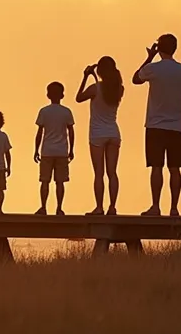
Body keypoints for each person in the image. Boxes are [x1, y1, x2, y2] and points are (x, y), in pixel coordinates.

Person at [131, 34, 181, 216]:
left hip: (155, 126)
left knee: (156, 167)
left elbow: (135, 79)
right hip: (176, 126)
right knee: (175, 169)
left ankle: (156, 206)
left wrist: (149, 56)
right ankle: (174, 208)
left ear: (159, 48)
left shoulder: (153, 68)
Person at [75, 56, 123, 215]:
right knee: (112, 173)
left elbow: (78, 97)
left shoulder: (95, 88)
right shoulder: (118, 89)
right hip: (113, 132)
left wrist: (86, 76)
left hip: (97, 134)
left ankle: (99, 207)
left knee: (99, 174)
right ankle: (112, 207)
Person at [33, 82, 76, 215]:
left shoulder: (44, 111)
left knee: (45, 181)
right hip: (62, 151)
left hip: (47, 151)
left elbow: (40, 132)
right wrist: (71, 149)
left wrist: (36, 149)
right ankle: (59, 208)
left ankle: (43, 207)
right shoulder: (66, 112)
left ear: (48, 95)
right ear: (62, 95)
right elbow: (71, 131)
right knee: (60, 182)